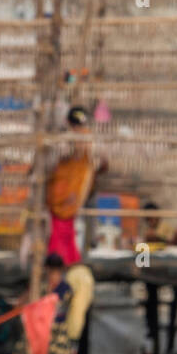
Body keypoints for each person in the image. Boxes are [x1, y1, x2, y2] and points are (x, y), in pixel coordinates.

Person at [45, 105, 104, 265]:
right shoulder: (65, 141)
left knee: (68, 233)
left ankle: (68, 263)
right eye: (76, 126)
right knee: (60, 233)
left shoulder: (88, 142)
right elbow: (56, 158)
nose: (80, 130)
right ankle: (59, 264)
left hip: (73, 197)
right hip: (60, 196)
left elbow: (98, 163)